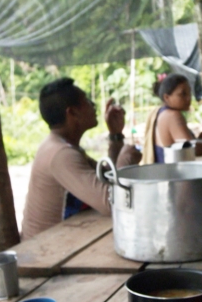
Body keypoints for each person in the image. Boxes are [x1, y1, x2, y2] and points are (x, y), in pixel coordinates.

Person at [21, 78, 139, 237]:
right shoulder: (61, 154)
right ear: (72, 113)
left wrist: (115, 135)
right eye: (87, 101)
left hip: (58, 243)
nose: (94, 106)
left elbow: (105, 176)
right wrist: (127, 162)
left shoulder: (60, 145)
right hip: (47, 254)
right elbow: (112, 202)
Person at [140, 74, 202, 164]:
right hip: (171, 174)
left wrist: (200, 140)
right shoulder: (172, 115)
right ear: (166, 97)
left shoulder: (161, 112)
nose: (188, 98)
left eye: (189, 93)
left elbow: (182, 143)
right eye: (183, 94)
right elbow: (190, 149)